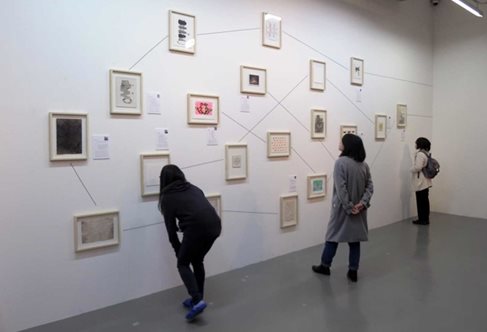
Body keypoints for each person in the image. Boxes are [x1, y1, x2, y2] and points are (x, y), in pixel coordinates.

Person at [158, 164, 221, 321]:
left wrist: (178, 252)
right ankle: (197, 298)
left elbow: (171, 232)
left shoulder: (167, 198)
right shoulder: (193, 188)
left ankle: (197, 299)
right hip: (215, 226)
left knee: (183, 264)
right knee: (197, 260)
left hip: (196, 229)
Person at [312, 134, 373, 282]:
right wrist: (362, 204)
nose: (339, 142)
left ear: (348, 145)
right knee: (354, 241)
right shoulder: (363, 165)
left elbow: (341, 189)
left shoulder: (340, 163)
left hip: (342, 210)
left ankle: (325, 266)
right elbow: (369, 187)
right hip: (358, 210)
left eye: (342, 141)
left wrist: (349, 207)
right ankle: (353, 271)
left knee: (332, 237)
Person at [410, 137, 432, 225]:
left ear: (420, 144)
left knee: (420, 201)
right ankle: (425, 218)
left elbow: (418, 167)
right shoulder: (426, 153)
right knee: (425, 200)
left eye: (416, 143)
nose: (415, 144)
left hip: (420, 181)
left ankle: (422, 219)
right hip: (425, 180)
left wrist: (410, 169)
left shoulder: (420, 154)